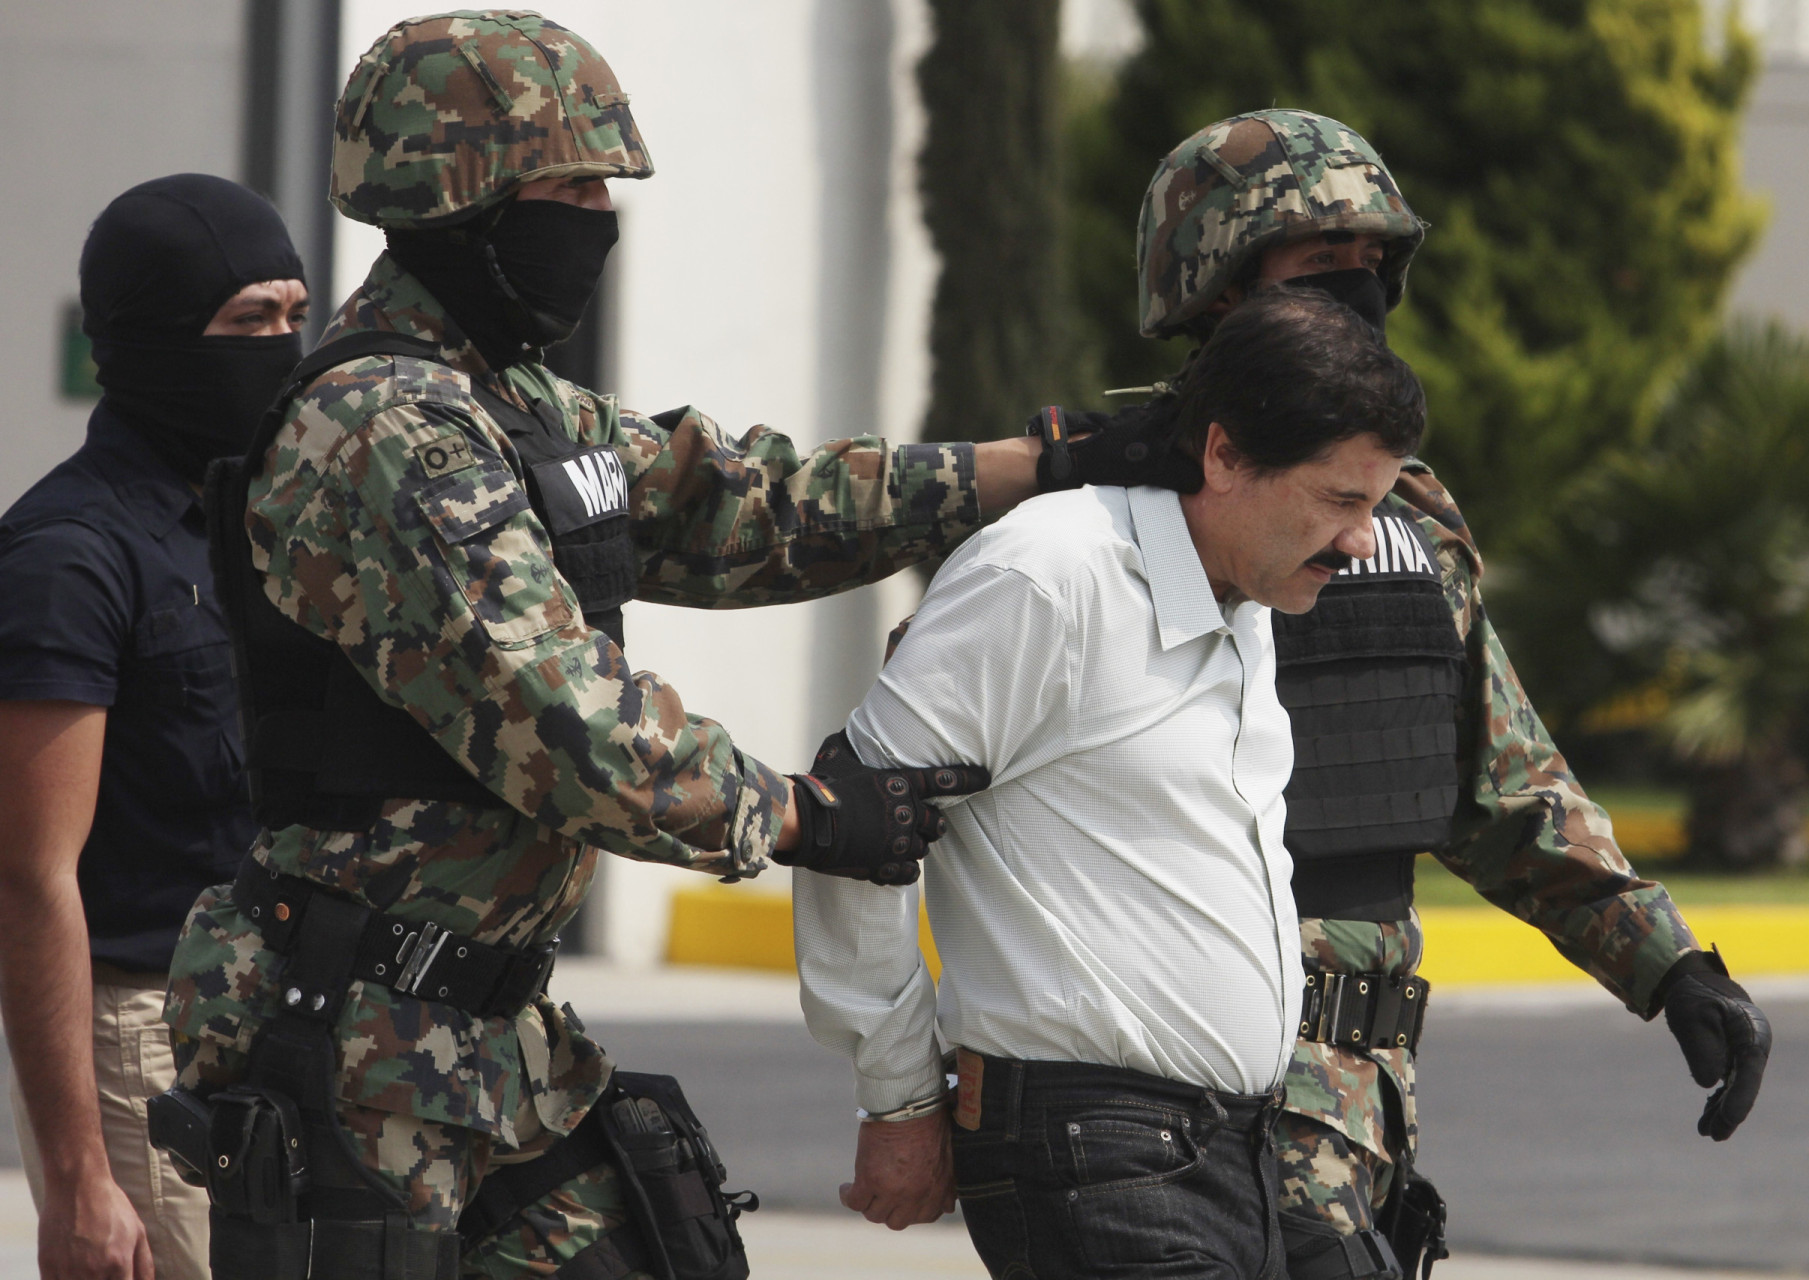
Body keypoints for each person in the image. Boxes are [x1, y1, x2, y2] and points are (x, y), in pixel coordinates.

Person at [156, 11, 1173, 1280]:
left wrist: (1039, 465)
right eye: (569, 186)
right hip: (356, 1044)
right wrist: (798, 813)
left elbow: (744, 508)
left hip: (486, 1036)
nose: (599, 217)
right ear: (458, 196)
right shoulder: (385, 433)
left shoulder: (513, 402)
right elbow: (561, 717)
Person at [1115, 109, 1772, 1278]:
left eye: (1373, 272)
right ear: (1217, 285)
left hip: (1358, 1104)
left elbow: (1500, 777)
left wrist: (1669, 963)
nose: (1358, 298)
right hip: (1179, 1089)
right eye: (1323, 271)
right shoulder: (1109, 502)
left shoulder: (1408, 518)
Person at [795, 289, 1429, 1279]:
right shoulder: (1048, 577)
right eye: (1339, 500)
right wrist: (900, 1098)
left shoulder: (1249, 599)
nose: (1360, 540)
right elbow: (859, 824)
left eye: (1375, 504)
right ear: (1223, 455)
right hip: (1096, 1153)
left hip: (1233, 1153)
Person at [0, 174, 309, 1280]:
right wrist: (80, 1173)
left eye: (292, 314)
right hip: (150, 1045)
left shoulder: (270, 525)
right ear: (150, 340)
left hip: (296, 1024)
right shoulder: (67, 555)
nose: (280, 347)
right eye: (246, 321)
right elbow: (31, 877)